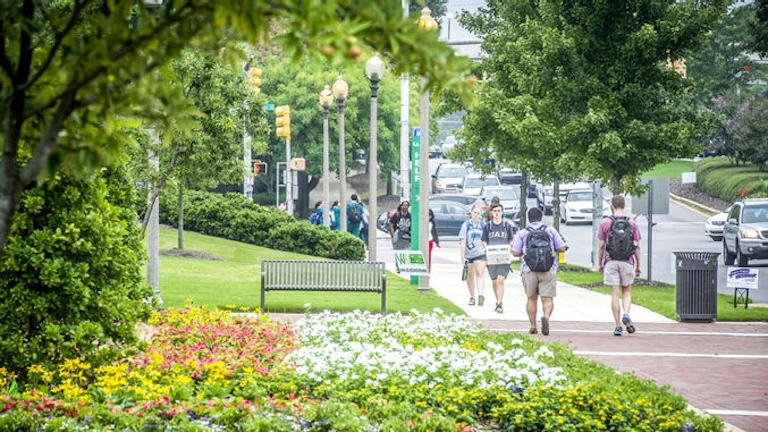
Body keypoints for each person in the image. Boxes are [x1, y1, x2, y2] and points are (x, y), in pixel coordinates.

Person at [511, 207, 566, 335]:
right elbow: (561, 248)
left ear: (529, 219)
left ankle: (533, 325)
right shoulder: (550, 230)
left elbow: (515, 252)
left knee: (531, 299)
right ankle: (546, 316)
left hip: (529, 269)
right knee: (547, 299)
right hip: (548, 269)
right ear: (541, 217)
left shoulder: (523, 233)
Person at [598, 195, 642, 336]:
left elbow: (601, 246)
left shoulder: (605, 223)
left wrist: (600, 263)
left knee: (615, 294)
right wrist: (638, 266)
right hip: (627, 261)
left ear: (612, 206)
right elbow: (636, 246)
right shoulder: (632, 223)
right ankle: (627, 314)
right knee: (627, 292)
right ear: (624, 206)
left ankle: (617, 325)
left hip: (611, 261)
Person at [481, 203, 516, 314]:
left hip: (503, 256)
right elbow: (484, 239)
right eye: (494, 211)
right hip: (492, 256)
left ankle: (500, 303)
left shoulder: (507, 226)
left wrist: (510, 246)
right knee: (495, 280)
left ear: (502, 212)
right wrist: (486, 247)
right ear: (491, 213)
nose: (496, 213)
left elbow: (511, 239)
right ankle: (497, 300)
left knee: (501, 279)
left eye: (498, 211)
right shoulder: (488, 226)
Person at [459, 205, 486, 306]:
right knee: (470, 276)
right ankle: (472, 296)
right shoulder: (466, 225)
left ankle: (480, 295)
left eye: (478, 213)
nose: (476, 215)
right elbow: (462, 242)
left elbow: (485, 240)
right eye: (475, 212)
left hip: (480, 253)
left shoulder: (483, 225)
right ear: (471, 213)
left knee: (480, 273)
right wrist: (462, 256)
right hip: (469, 254)